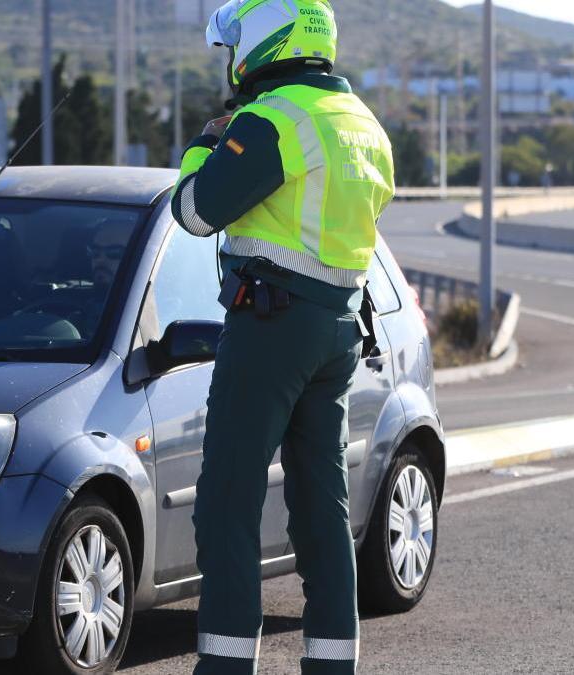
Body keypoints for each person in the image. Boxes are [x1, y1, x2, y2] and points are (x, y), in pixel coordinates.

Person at [169, 1, 395, 673]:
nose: (229, 57)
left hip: (271, 324)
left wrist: (206, 144)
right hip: (337, 329)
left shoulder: (273, 119)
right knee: (320, 505)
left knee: (227, 503)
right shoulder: (362, 123)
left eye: (234, 42)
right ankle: (332, 662)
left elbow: (195, 210)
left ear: (266, 40)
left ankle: (227, 663)